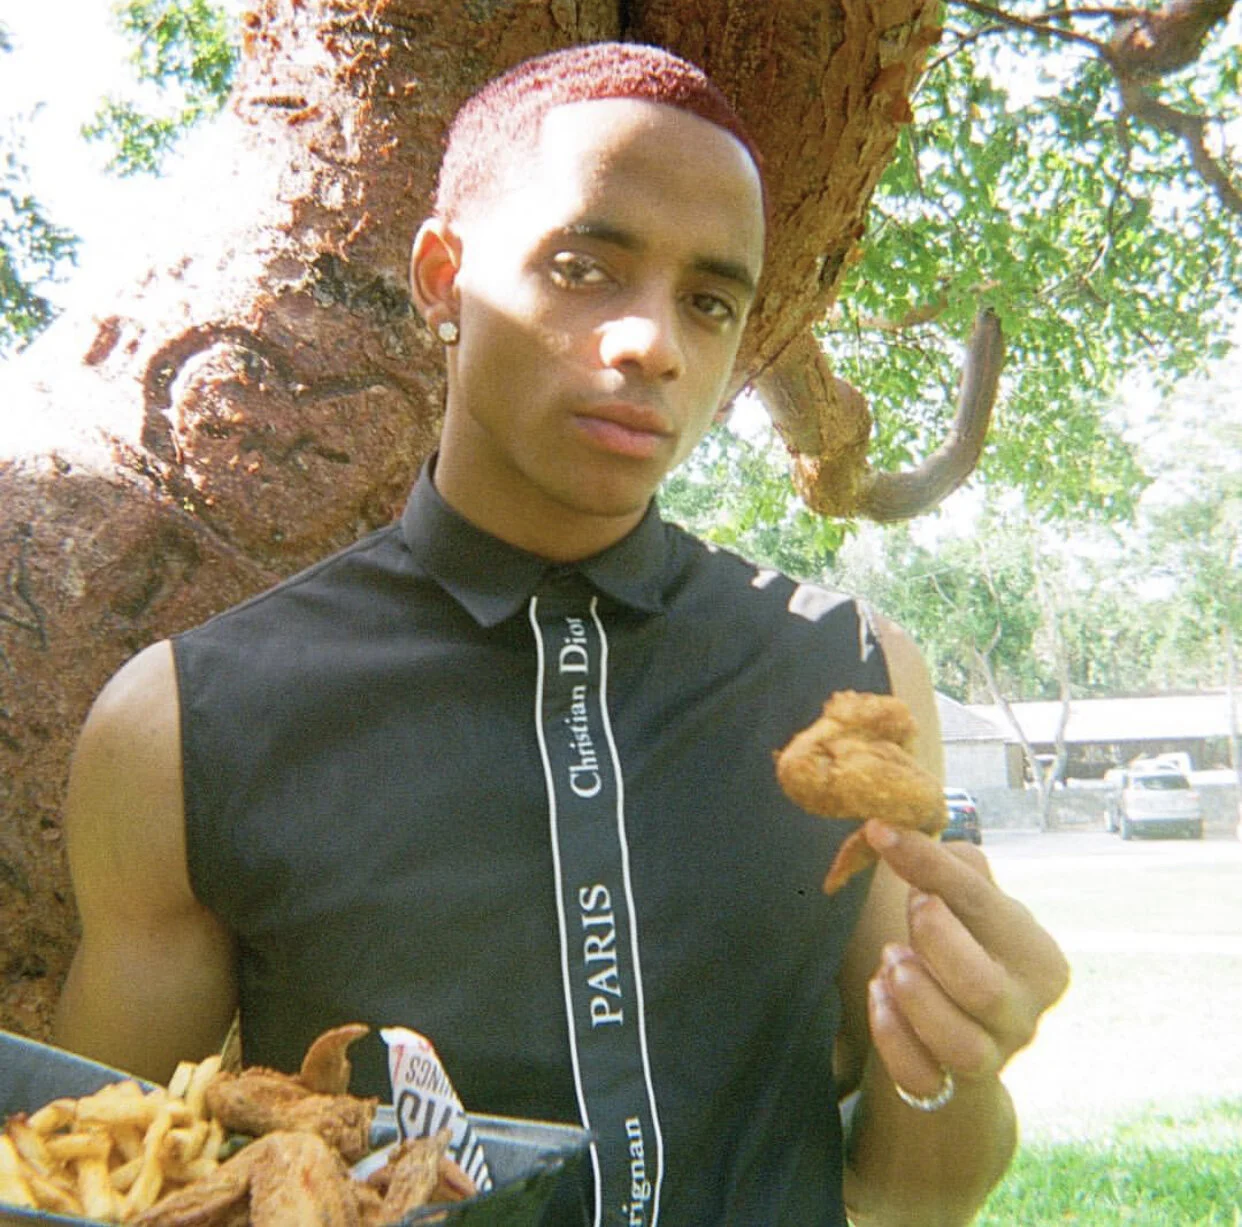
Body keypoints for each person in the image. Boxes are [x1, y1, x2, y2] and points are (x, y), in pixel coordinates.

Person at [55, 42, 1068, 1226]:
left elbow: (907, 1198)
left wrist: (956, 1065)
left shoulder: (847, 673)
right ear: (444, 278)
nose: (653, 343)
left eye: (710, 301)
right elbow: (86, 1178)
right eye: (584, 268)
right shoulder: (188, 726)